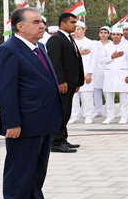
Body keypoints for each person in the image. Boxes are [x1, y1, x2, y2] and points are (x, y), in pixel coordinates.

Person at [0, 7, 65, 199]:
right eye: (36, 22)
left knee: (37, 170)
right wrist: (12, 123)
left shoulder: (39, 47)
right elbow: (5, 91)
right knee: (19, 172)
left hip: (43, 121)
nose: (42, 25)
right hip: (23, 124)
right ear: (20, 26)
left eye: (42, 21)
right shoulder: (9, 50)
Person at [46, 12, 84, 153]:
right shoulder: (56, 39)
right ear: (63, 23)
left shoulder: (68, 38)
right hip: (63, 84)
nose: (75, 25)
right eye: (72, 23)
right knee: (61, 112)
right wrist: (61, 81)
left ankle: (62, 138)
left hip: (71, 82)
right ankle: (56, 142)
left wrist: (78, 81)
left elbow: (75, 60)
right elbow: (55, 63)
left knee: (66, 111)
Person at [101, 27, 128, 124]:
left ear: (121, 36)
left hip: (122, 74)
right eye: (114, 34)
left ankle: (124, 116)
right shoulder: (106, 47)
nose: (115, 36)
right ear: (111, 35)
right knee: (109, 97)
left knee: (123, 97)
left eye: (118, 35)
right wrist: (112, 57)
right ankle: (110, 116)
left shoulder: (127, 47)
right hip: (109, 74)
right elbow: (101, 60)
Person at [69, 20, 97, 124]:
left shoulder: (91, 43)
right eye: (75, 28)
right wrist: (78, 53)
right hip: (73, 73)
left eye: (79, 29)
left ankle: (88, 115)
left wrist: (90, 73)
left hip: (85, 72)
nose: (76, 31)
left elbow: (94, 59)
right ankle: (75, 115)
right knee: (74, 96)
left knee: (87, 95)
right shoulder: (70, 42)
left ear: (84, 29)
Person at [92, 26, 111, 118]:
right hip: (96, 71)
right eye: (101, 32)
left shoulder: (111, 45)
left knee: (107, 92)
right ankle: (97, 110)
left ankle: (108, 111)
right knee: (96, 91)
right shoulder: (95, 44)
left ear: (108, 34)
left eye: (105, 32)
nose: (103, 34)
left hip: (108, 70)